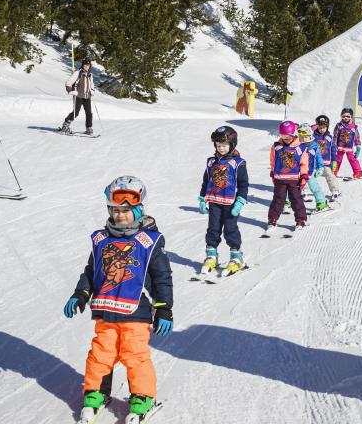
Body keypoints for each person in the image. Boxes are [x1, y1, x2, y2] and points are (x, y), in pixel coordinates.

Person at [64, 176, 173, 423]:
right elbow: (92, 272)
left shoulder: (149, 241)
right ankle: (96, 393)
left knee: (134, 355)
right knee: (100, 353)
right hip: (105, 311)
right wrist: (81, 293)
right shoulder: (101, 240)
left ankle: (143, 397)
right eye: (115, 210)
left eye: (125, 210)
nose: (119, 215)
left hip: (136, 311)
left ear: (139, 209)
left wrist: (164, 308)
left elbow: (162, 277)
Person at [197, 126, 249, 277]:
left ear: (232, 144)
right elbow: (206, 181)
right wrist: (202, 199)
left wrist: (240, 201)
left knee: (230, 230)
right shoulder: (211, 162)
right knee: (213, 229)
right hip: (214, 202)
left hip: (231, 204)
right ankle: (211, 256)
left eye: (224, 145)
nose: (221, 148)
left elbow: (244, 184)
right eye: (218, 145)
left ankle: (237, 257)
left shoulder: (238, 163)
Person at [265, 121, 309, 235]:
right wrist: (273, 173)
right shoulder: (277, 147)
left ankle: (300, 220)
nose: (286, 139)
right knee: (278, 200)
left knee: (296, 200)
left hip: (295, 180)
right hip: (280, 179)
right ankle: (272, 219)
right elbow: (273, 162)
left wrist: (304, 176)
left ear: (294, 134)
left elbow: (304, 164)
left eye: (288, 136)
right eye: (283, 136)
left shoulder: (301, 147)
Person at [60, 56, 96, 135]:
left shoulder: (90, 75)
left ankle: (89, 128)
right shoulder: (78, 73)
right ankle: (65, 126)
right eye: (85, 65)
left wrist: (92, 90)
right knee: (76, 113)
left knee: (89, 113)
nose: (86, 66)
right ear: (82, 65)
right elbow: (68, 83)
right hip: (78, 96)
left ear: (90, 66)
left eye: (88, 65)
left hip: (87, 96)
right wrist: (71, 91)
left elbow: (92, 84)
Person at [297, 123, 329, 212]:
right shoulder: (297, 146)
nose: (302, 139)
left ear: (310, 136)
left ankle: (321, 203)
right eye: (300, 136)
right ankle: (286, 203)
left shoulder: (314, 146)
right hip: (298, 172)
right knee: (294, 188)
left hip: (310, 172)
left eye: (304, 136)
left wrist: (320, 167)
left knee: (315, 188)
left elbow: (318, 157)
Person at [312, 115, 341, 200]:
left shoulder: (329, 137)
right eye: (320, 127)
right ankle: (304, 191)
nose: (321, 129)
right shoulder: (313, 137)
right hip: (314, 163)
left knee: (330, 176)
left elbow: (333, 149)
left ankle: (335, 191)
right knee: (308, 176)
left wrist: (334, 160)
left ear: (327, 127)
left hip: (325, 163)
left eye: (324, 127)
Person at [333, 108, 362, 179]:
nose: (345, 118)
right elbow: (335, 135)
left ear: (351, 117)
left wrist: (358, 146)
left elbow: (357, 137)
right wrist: (334, 144)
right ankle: (334, 172)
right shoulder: (339, 126)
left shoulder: (354, 127)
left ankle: (358, 172)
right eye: (343, 116)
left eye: (348, 116)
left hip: (349, 147)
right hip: (340, 147)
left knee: (352, 159)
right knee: (337, 160)